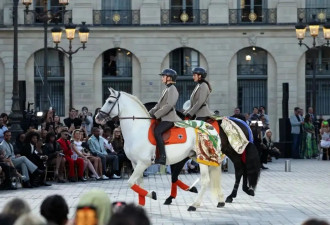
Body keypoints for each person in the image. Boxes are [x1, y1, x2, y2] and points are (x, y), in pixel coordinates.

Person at [149, 68, 181, 165]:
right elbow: (158, 105)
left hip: (170, 119)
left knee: (157, 131)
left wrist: (156, 115)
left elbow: (169, 105)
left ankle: (162, 157)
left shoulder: (172, 89)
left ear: (169, 78)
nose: (161, 78)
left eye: (163, 76)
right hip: (163, 118)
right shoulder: (166, 89)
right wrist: (149, 113)